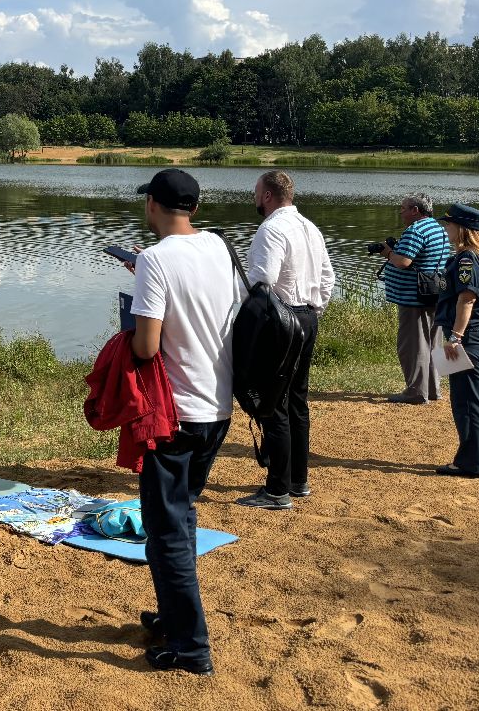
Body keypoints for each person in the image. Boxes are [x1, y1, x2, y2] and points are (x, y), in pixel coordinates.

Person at [129, 168, 235, 676]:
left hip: (176, 414)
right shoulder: (218, 245)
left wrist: (125, 335)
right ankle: (172, 615)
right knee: (182, 514)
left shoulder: (153, 260)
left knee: (166, 530)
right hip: (218, 409)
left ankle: (191, 648)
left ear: (153, 204)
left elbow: (148, 347)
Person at [234, 171, 335, 511]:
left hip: (281, 320)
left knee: (273, 402)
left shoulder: (271, 229)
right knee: (296, 400)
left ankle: (277, 490)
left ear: (266, 196)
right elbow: (327, 278)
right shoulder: (310, 227)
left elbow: (262, 282)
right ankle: (297, 479)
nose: (254, 197)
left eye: (255, 191)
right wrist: (312, 312)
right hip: (306, 317)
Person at [434, 204, 479, 478]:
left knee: (466, 400)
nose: (445, 228)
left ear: (461, 228)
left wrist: (455, 337)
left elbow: (467, 299)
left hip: (468, 335)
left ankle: (469, 463)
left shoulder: (467, 260)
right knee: (478, 399)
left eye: (449, 224)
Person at [379, 193, 449, 404]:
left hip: (414, 298)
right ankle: (433, 389)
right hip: (436, 292)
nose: (400, 212)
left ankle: (416, 392)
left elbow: (404, 262)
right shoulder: (439, 228)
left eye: (403, 208)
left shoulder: (416, 230)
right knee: (433, 342)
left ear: (415, 210)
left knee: (412, 345)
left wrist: (389, 253)